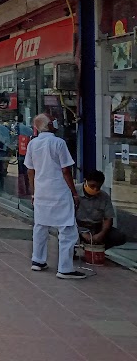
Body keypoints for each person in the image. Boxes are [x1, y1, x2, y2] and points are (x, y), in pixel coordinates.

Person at [25, 113, 86, 279]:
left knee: (40, 227)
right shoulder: (58, 143)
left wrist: (33, 191)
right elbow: (66, 170)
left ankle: (38, 260)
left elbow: (30, 171)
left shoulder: (33, 144)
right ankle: (64, 268)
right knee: (67, 229)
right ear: (50, 125)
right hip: (58, 191)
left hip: (41, 192)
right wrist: (74, 192)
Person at [76, 170, 127, 250]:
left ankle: (97, 249)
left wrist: (101, 234)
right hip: (77, 226)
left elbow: (108, 218)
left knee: (119, 237)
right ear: (85, 181)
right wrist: (82, 232)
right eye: (92, 186)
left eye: (98, 187)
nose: (95, 189)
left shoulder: (104, 197)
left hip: (95, 226)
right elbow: (66, 216)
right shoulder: (74, 192)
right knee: (66, 233)